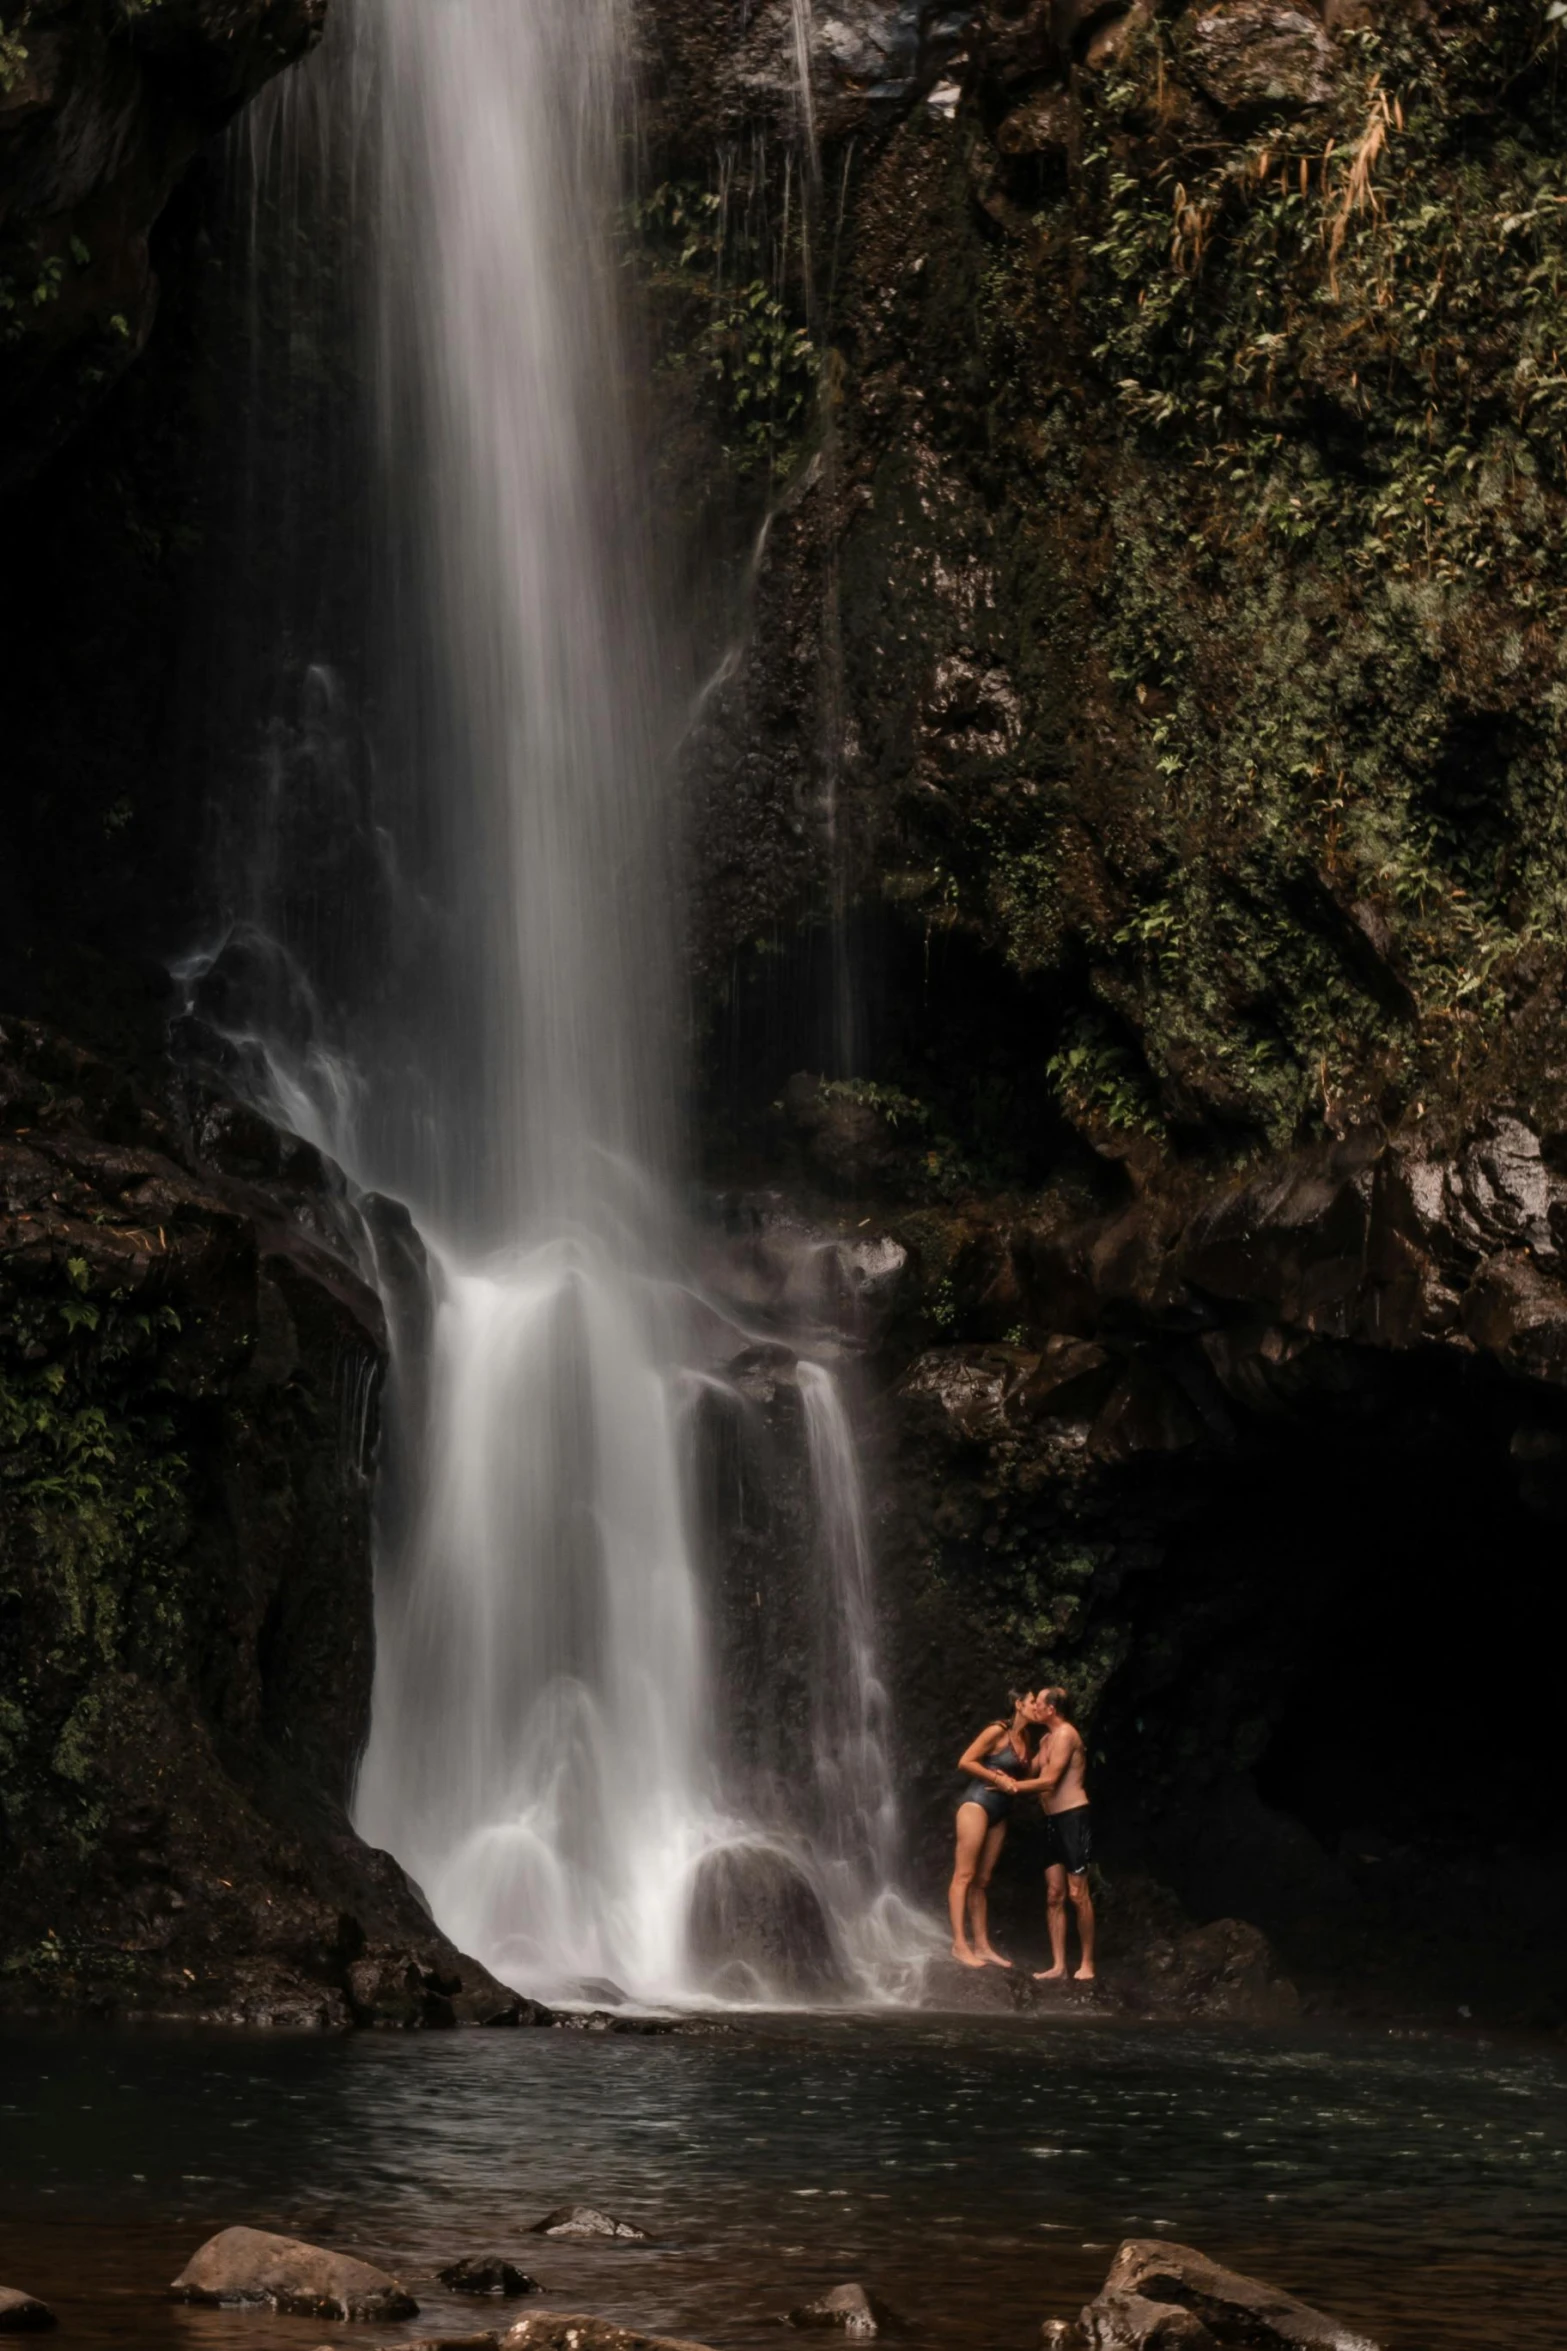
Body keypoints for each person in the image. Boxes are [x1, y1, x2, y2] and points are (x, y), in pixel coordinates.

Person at [947, 1690, 1044, 1969]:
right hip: (976, 1805)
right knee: (964, 1875)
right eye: (1032, 1702)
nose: (1037, 1706)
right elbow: (965, 1761)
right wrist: (995, 1778)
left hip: (1001, 1813)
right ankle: (959, 1945)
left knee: (983, 1880)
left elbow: (1027, 1777)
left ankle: (982, 1945)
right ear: (1018, 1705)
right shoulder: (997, 1731)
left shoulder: (1026, 1739)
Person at [1015, 1685, 1096, 1982]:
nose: (1034, 1706)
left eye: (1039, 1703)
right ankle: (1059, 1965)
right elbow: (1029, 1771)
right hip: (1051, 1821)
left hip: (1073, 1818)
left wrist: (1010, 1787)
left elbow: (1048, 1781)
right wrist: (1017, 1734)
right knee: (1054, 1894)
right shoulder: (1047, 1739)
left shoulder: (1065, 1735)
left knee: (1078, 1893)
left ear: (1051, 1710)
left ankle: (1087, 1963)